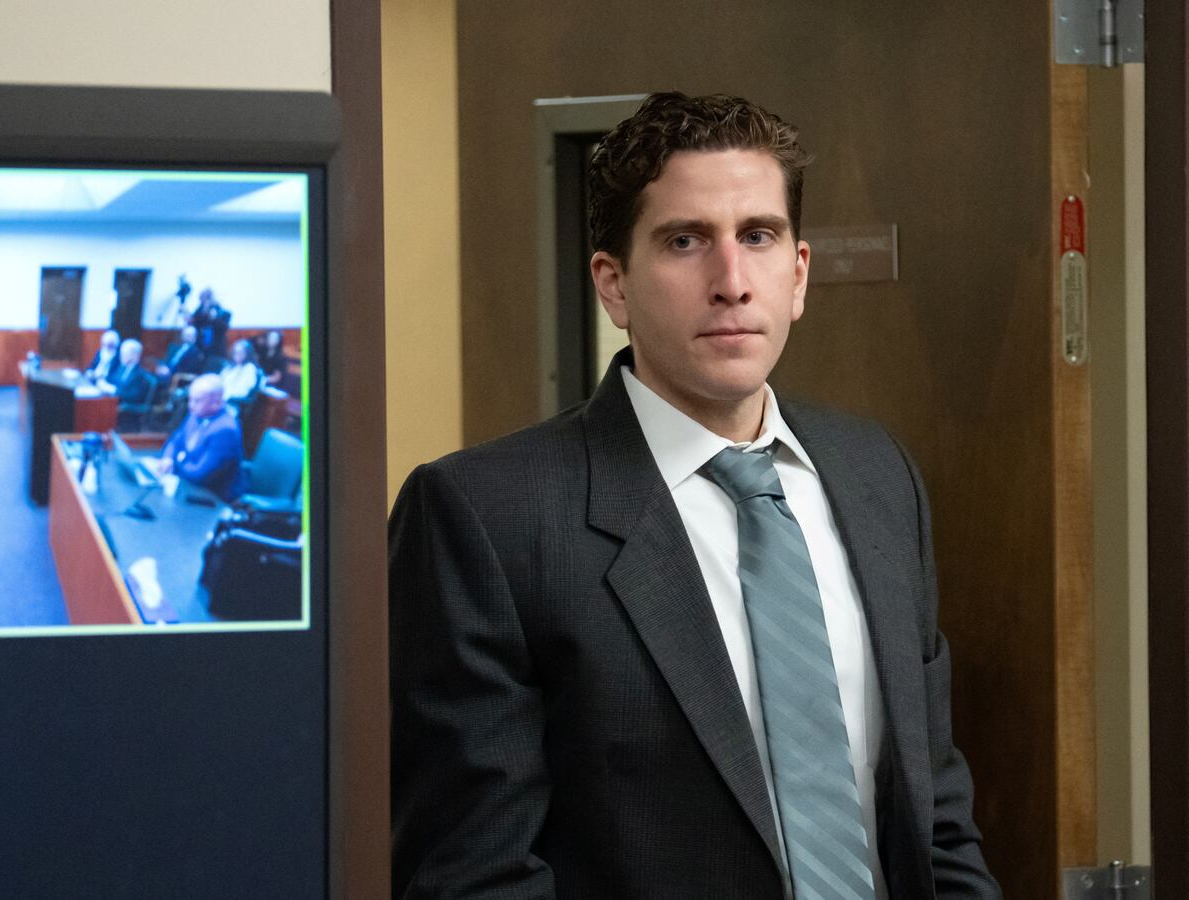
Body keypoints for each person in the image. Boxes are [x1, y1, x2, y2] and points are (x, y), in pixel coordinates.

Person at [389, 92, 998, 899]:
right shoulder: (484, 517)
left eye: (758, 236)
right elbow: (471, 876)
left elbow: (936, 818)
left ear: (799, 273)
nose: (732, 282)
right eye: (685, 241)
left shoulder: (876, 474)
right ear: (613, 285)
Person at [153, 373, 245, 502]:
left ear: (216, 402)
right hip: (188, 482)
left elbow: (200, 474)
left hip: (212, 497)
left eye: (197, 400)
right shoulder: (197, 414)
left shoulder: (225, 430)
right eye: (191, 399)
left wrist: (174, 464)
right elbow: (175, 440)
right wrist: (167, 458)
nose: (191, 405)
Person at [218, 339, 263, 407]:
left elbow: (243, 391)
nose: (237, 355)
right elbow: (219, 381)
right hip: (220, 397)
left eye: (241, 352)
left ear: (247, 354)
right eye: (236, 352)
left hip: (232, 403)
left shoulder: (249, 368)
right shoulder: (230, 366)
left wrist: (225, 395)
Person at [254, 329, 293, 393]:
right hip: (260, 382)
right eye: (270, 338)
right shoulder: (263, 351)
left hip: (273, 386)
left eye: (275, 338)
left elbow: (276, 378)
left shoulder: (281, 357)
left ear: (279, 340)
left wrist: (262, 380)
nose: (272, 340)